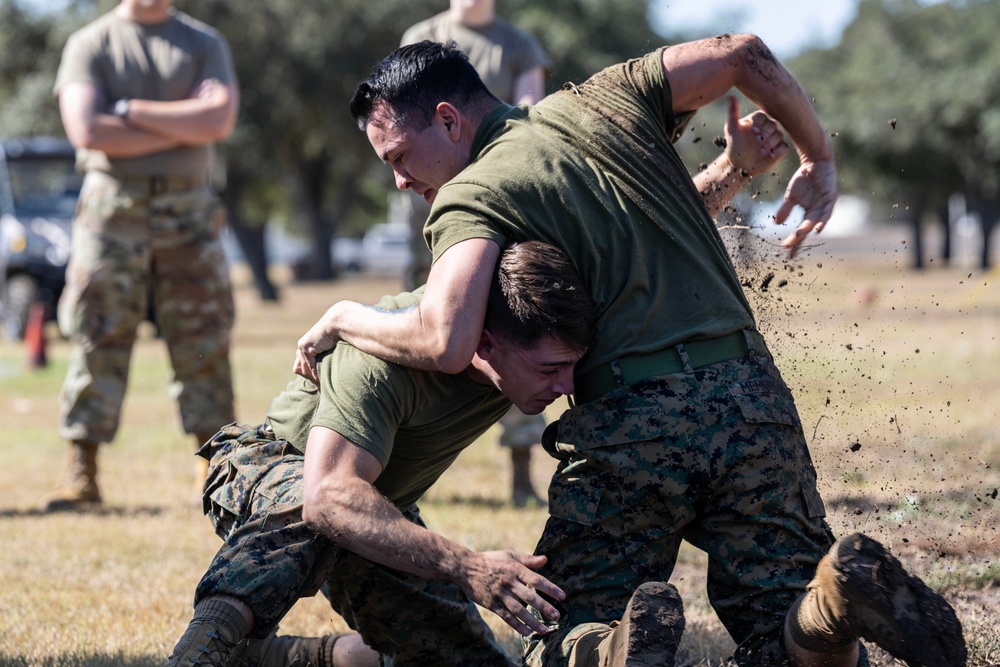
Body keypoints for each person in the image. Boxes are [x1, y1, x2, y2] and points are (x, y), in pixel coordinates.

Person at [294, 39, 968, 667]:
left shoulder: (473, 195)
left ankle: (609, 643)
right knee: (782, 624)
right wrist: (815, 156)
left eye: (399, 158)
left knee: (560, 628)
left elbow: (445, 340)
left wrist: (347, 316)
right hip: (752, 397)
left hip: (631, 416)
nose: (402, 182)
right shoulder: (607, 98)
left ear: (448, 120)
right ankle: (834, 602)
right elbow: (741, 54)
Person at [167, 241, 597, 667]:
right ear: (484, 345)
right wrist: (469, 567)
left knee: (462, 659)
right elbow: (330, 496)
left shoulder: (523, 336)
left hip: (371, 501)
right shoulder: (380, 360)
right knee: (314, 509)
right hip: (270, 468)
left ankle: (270, 657)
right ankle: (198, 654)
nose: (567, 387)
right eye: (550, 370)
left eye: (571, 367)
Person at [45, 0, 239, 510]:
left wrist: (129, 111)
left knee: (203, 339)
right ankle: (82, 473)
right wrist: (182, 121)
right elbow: (87, 130)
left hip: (189, 208)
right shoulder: (91, 43)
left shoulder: (203, 43)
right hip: (113, 208)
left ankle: (217, 471)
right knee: (97, 332)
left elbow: (218, 119)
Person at [398, 0, 555, 507]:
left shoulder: (519, 43)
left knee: (516, 326)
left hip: (498, 201)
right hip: (433, 206)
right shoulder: (421, 34)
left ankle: (520, 471)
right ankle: (403, 466)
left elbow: (528, 115)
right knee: (422, 325)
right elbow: (400, 118)